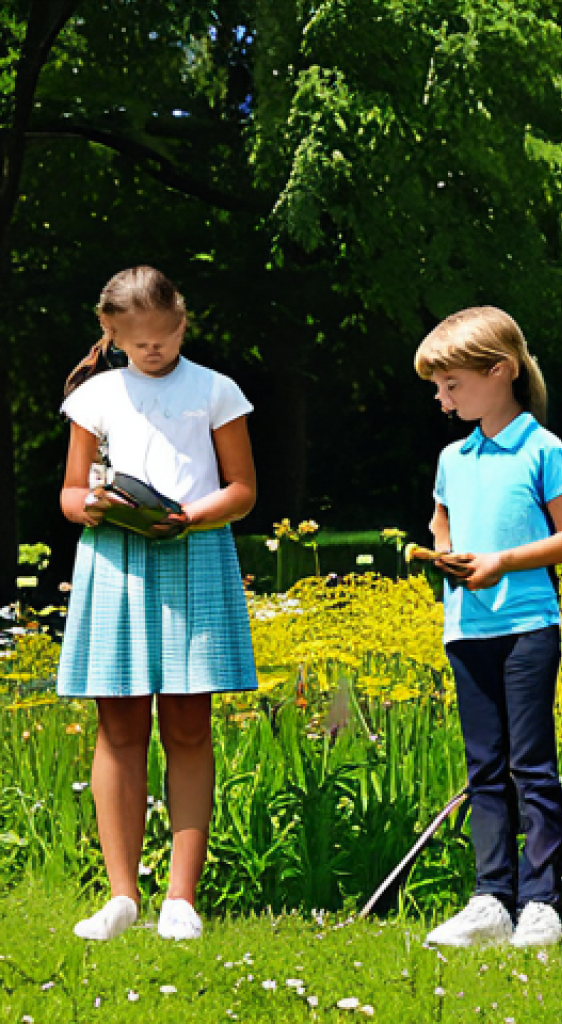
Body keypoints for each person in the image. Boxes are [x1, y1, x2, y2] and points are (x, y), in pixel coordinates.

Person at [57, 266, 258, 941]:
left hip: (194, 552)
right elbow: (69, 493)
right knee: (117, 727)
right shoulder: (97, 396)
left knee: (188, 725)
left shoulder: (215, 390)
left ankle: (181, 898)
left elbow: (242, 489)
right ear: (111, 336)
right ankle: (121, 895)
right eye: (139, 342)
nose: (154, 350)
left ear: (182, 323)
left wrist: (189, 517)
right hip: (115, 558)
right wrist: (90, 506)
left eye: (166, 337)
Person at [413, 306, 562, 948]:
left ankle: (543, 901)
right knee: (484, 768)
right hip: (467, 629)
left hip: (527, 627)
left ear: (502, 371)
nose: (442, 397)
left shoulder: (543, 448)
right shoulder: (452, 457)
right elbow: (442, 527)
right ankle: (492, 898)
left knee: (531, 765)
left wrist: (502, 562)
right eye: (438, 386)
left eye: (452, 384)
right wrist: (447, 554)